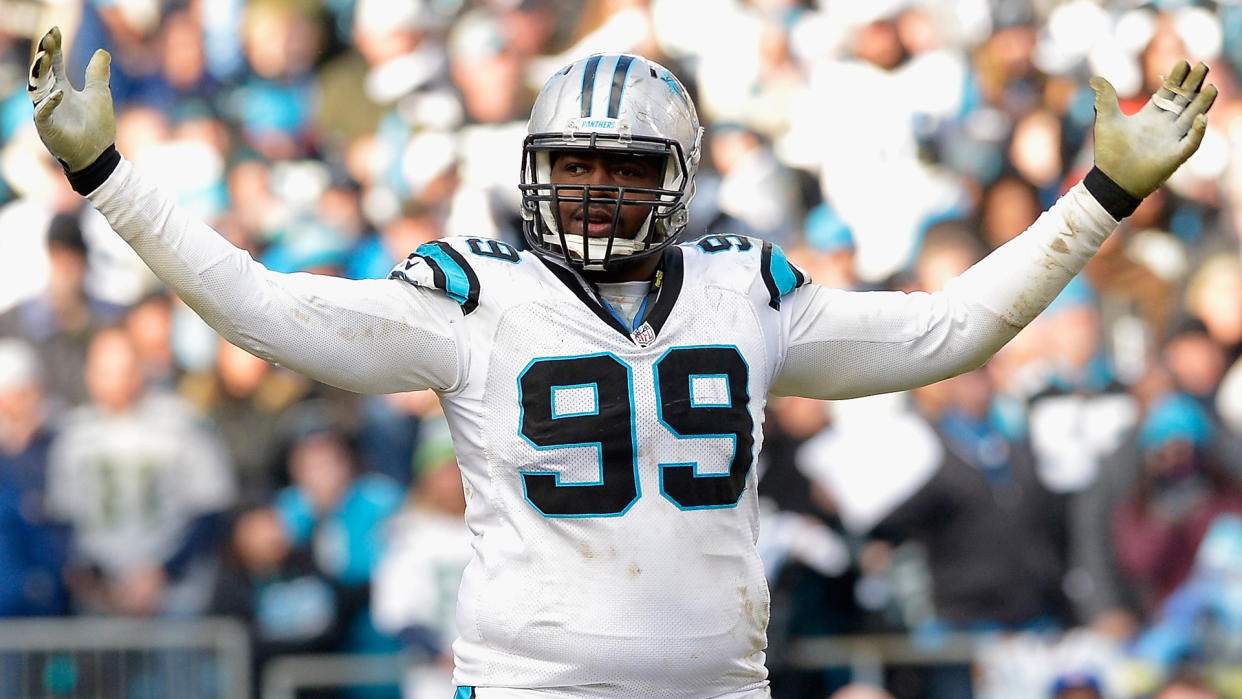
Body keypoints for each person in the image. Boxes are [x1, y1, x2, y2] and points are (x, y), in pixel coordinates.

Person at [27, 23, 1216, 696]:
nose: (593, 189)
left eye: (624, 169)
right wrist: (108, 181)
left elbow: (951, 329)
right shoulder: (476, 297)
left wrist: (1102, 197)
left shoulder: (744, 292)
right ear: (537, 162)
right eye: (575, 162)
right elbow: (265, 311)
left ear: (678, 183)